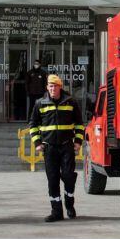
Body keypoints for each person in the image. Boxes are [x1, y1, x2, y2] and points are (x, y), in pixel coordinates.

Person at [28, 74, 84, 222]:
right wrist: (37, 143)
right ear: (47, 87)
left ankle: (70, 206)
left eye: (55, 86)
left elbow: (79, 123)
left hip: (67, 146)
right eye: (50, 86)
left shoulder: (71, 101)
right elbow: (32, 124)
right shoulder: (40, 103)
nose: (53, 88)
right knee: (52, 180)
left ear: (60, 87)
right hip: (49, 148)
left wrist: (78, 141)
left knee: (68, 176)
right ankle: (56, 211)